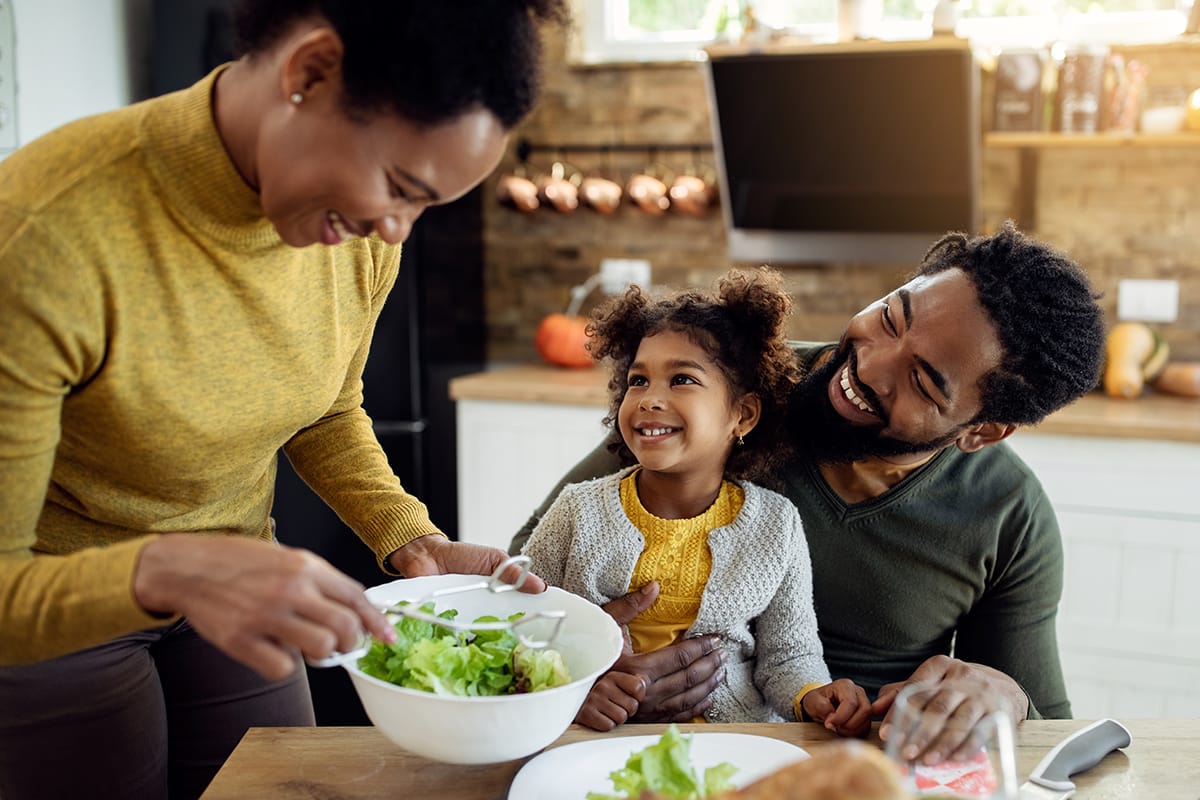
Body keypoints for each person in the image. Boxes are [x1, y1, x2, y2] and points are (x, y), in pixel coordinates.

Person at [0, 2, 566, 798]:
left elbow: (327, 408)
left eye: (423, 205)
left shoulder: (360, 239)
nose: (396, 230)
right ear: (309, 72)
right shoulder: (43, 235)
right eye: (399, 186)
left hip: (238, 579)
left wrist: (410, 539)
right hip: (55, 608)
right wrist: (171, 569)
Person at [512, 222, 1106, 764]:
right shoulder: (730, 387)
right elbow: (532, 565)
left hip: (852, 771)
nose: (870, 365)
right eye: (892, 317)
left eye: (921, 382)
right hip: (627, 750)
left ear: (981, 430)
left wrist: (1003, 693)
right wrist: (585, 660)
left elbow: (1053, 735)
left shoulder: (1008, 514)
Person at [522, 268, 873, 734]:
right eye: (638, 380)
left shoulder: (776, 525)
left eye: (682, 379)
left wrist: (814, 697)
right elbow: (523, 628)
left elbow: (790, 656)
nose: (649, 399)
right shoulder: (577, 511)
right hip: (599, 738)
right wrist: (574, 687)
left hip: (734, 743)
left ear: (742, 415)